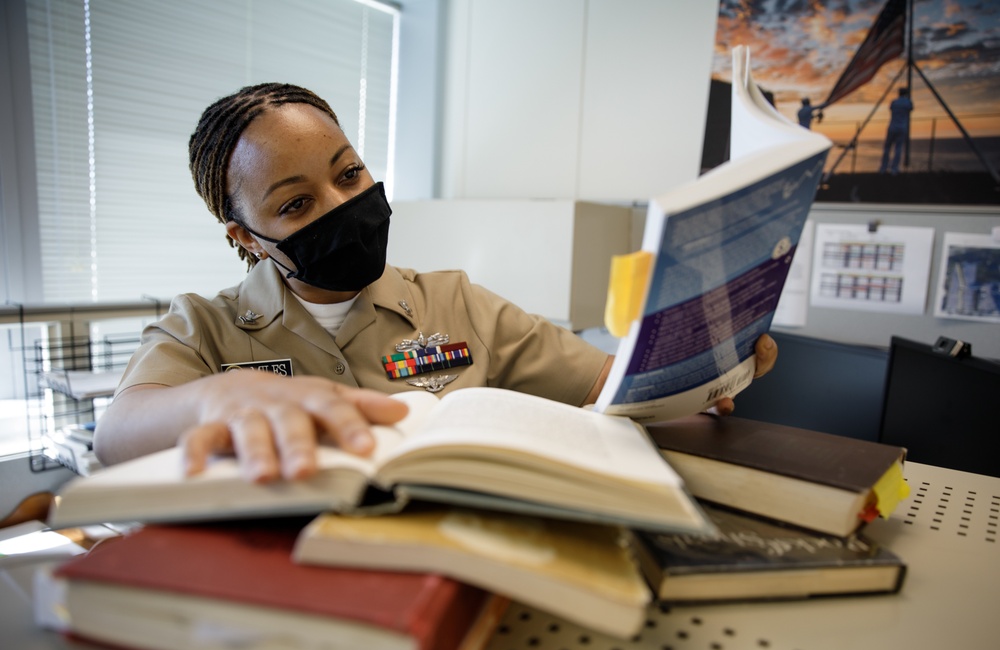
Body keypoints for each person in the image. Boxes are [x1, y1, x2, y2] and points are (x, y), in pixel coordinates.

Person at [92, 83, 778, 481]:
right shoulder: (202, 327)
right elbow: (117, 435)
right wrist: (224, 396)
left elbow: (616, 383)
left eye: (349, 174)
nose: (340, 205)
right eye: (296, 204)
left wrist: (707, 361)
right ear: (245, 235)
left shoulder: (457, 303)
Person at [879, 88, 913, 175]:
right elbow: (911, 109)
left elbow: (891, 108)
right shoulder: (908, 103)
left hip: (892, 127)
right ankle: (894, 169)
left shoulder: (894, 102)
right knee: (898, 148)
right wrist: (908, 99)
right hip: (902, 128)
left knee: (887, 148)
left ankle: (883, 168)